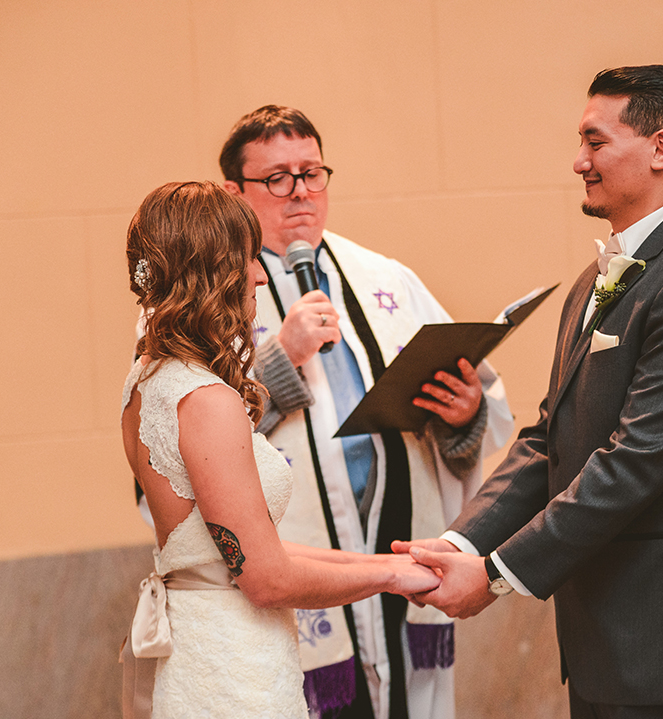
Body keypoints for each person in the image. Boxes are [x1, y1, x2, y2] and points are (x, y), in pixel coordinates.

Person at [395, 65, 663, 719]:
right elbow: (551, 435)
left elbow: (633, 460)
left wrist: (496, 574)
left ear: (661, 147)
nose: (579, 161)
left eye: (595, 142)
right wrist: (460, 542)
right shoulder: (593, 281)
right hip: (605, 639)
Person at [218, 106, 514, 719]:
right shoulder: (214, 296)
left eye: (312, 172)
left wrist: (463, 415)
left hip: (395, 537)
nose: (300, 191)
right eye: (277, 177)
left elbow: (472, 413)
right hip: (298, 559)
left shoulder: (386, 278)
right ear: (233, 193)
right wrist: (281, 359)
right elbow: (188, 445)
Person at [119, 181, 440, 719]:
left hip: (205, 642)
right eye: (248, 259)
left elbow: (244, 549)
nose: (261, 275)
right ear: (215, 272)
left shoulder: (146, 379)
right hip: (234, 665)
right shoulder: (205, 400)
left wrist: (389, 562)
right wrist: (389, 578)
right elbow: (265, 578)